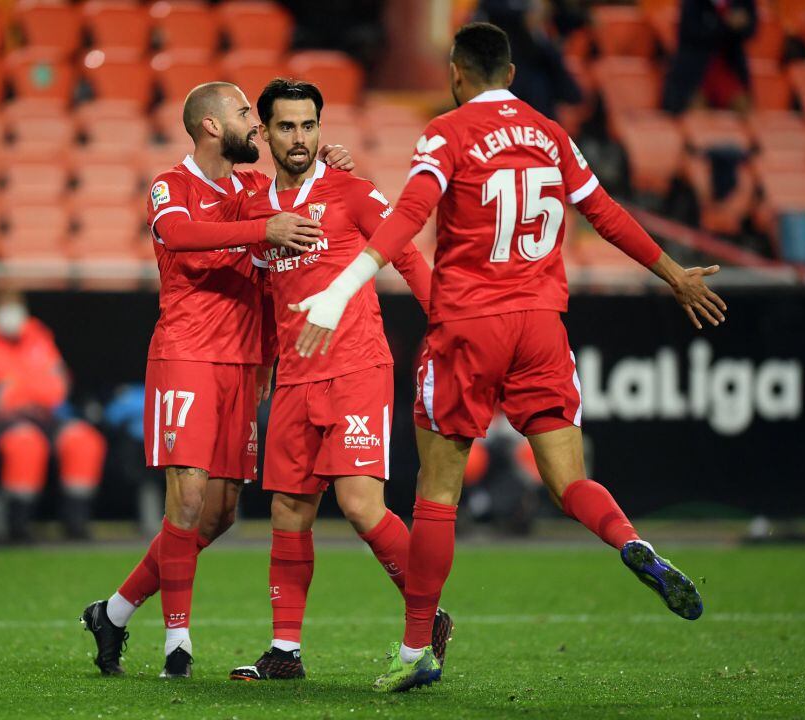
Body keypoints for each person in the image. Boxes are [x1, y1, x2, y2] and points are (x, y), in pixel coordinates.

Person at [291, 23, 727, 692]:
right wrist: (675, 275)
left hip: (469, 325)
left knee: (437, 493)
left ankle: (415, 652)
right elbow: (604, 211)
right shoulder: (551, 134)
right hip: (542, 326)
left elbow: (407, 216)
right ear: (513, 73)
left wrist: (339, 289)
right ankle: (629, 541)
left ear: (456, 73)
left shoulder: (447, 132)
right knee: (567, 478)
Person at [80, 81, 356, 680]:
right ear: (210, 126)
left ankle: (115, 611)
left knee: (220, 513)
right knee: (186, 494)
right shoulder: (170, 186)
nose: (256, 127)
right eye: (242, 116)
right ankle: (176, 644)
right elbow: (177, 236)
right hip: (186, 355)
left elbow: (301, 196)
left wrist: (331, 168)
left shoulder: (256, 188)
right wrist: (261, 231)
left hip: (241, 365)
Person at [222, 79, 451, 682]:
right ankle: (285, 651)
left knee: (357, 503)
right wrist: (268, 362)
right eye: (286, 127)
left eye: (309, 126)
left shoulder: (350, 190)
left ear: (322, 130)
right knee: (289, 511)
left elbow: (406, 255)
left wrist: (450, 327)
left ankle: (428, 617)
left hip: (356, 368)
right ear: (265, 133)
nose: (299, 138)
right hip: (295, 377)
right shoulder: (253, 204)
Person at [0, 288, 107, 542]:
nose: (12, 314)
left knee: (84, 440)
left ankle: (76, 523)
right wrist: (27, 389)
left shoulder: (37, 336)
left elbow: (58, 387)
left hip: (43, 415)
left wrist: (17, 388)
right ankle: (18, 526)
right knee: (26, 443)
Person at [662, 0, 757, 115]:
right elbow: (690, 31)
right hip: (695, 69)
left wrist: (740, 24)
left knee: (744, 107)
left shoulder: (743, 3)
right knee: (696, 111)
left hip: (728, 67)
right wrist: (725, 24)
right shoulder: (693, 4)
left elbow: (751, 27)